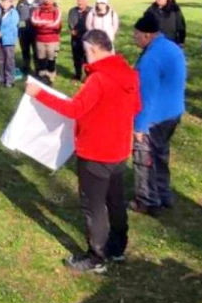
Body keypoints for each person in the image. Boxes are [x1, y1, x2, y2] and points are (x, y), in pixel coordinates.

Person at [24, 30, 140, 274]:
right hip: (119, 150)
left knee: (94, 205)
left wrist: (40, 93)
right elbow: (136, 106)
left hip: (96, 151)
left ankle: (97, 255)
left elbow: (75, 109)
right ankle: (118, 248)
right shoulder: (129, 74)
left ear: (94, 50)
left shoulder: (98, 79)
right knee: (115, 200)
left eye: (87, 51)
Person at [130, 13, 186, 216]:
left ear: (147, 35)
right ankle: (163, 194)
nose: (134, 38)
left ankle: (147, 200)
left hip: (155, 117)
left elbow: (147, 94)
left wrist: (140, 126)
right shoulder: (171, 48)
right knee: (161, 155)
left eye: (136, 35)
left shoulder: (151, 58)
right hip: (173, 112)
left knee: (143, 158)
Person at [31, 0, 63, 84]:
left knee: (51, 59)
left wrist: (42, 23)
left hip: (52, 39)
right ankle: (42, 75)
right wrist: (48, 23)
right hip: (40, 39)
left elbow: (56, 25)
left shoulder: (56, 10)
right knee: (41, 58)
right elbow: (34, 23)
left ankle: (50, 76)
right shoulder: (37, 10)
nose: (46, 0)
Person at [0, 0, 20, 87]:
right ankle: (1, 78)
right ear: (1, 2)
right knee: (0, 60)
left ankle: (9, 80)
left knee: (9, 61)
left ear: (11, 3)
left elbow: (12, 25)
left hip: (8, 40)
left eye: (8, 2)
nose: (5, 3)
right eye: (4, 1)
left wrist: (1, 33)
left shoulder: (14, 13)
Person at [15, 0, 41, 76]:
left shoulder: (40, 2)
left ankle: (38, 69)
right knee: (25, 50)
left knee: (36, 51)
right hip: (23, 31)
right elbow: (16, 15)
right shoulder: (21, 2)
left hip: (36, 31)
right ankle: (26, 67)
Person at [67, 0, 92, 81]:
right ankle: (78, 74)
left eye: (82, 1)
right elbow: (70, 23)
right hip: (75, 38)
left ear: (86, 2)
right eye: (79, 1)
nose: (80, 3)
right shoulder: (72, 11)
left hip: (88, 38)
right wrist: (73, 30)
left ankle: (88, 76)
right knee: (76, 57)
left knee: (87, 58)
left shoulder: (91, 11)